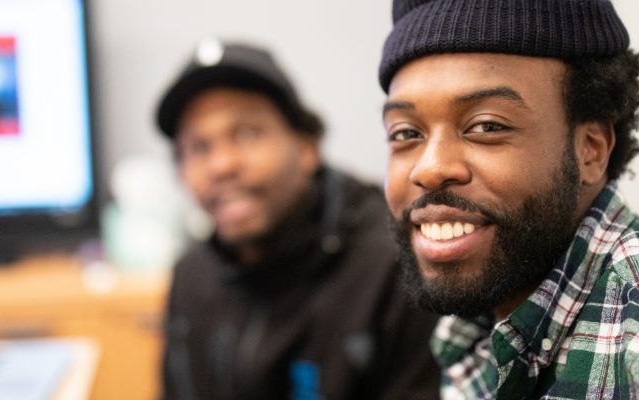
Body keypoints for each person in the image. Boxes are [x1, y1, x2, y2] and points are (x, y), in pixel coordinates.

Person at [377, 1, 639, 399]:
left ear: (591, 150)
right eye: (406, 133)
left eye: (487, 126)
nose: (429, 169)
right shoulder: (468, 330)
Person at [155, 39, 440, 400]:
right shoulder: (192, 275)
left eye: (247, 133)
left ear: (306, 147)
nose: (222, 165)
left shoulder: (396, 265)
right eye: (198, 147)